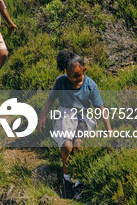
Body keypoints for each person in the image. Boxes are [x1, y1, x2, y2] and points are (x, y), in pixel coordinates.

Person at [38, 50, 112, 200]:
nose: (73, 79)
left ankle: (78, 182)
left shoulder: (90, 85)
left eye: (77, 75)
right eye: (69, 75)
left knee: (78, 146)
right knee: (67, 146)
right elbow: (51, 99)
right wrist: (43, 117)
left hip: (83, 118)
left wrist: (109, 130)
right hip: (65, 116)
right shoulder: (61, 81)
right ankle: (66, 181)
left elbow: (101, 108)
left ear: (84, 70)